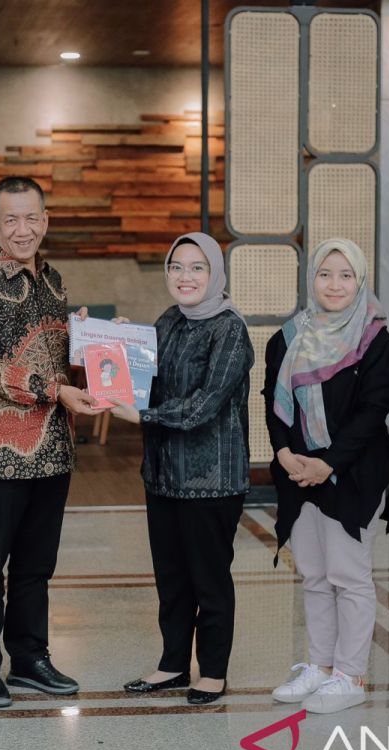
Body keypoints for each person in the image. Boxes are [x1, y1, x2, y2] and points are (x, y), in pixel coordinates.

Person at [0, 176, 100, 709]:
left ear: (45, 220)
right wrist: (54, 391)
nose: (22, 229)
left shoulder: (55, 281)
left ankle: (30, 658)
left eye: (31, 217)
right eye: (10, 219)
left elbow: (58, 357)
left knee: (36, 567)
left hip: (52, 448)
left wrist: (95, 343)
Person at [109, 232, 253, 705]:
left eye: (197, 267)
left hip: (211, 480)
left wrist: (144, 416)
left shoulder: (229, 329)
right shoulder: (168, 321)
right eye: (176, 267)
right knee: (171, 579)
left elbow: (205, 405)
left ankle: (212, 671)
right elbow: (145, 379)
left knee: (209, 580)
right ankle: (172, 664)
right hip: (164, 476)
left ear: (214, 273)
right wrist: (120, 342)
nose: (184, 276)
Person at [263, 239, 389, 714]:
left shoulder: (376, 340)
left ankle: (350, 674)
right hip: (299, 473)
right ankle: (320, 667)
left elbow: (373, 411)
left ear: (360, 281)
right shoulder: (287, 337)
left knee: (349, 575)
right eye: (325, 274)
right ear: (312, 279)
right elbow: (272, 400)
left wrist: (329, 463)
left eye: (346, 275)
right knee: (315, 576)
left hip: (354, 474)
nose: (335, 284)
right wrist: (284, 452)